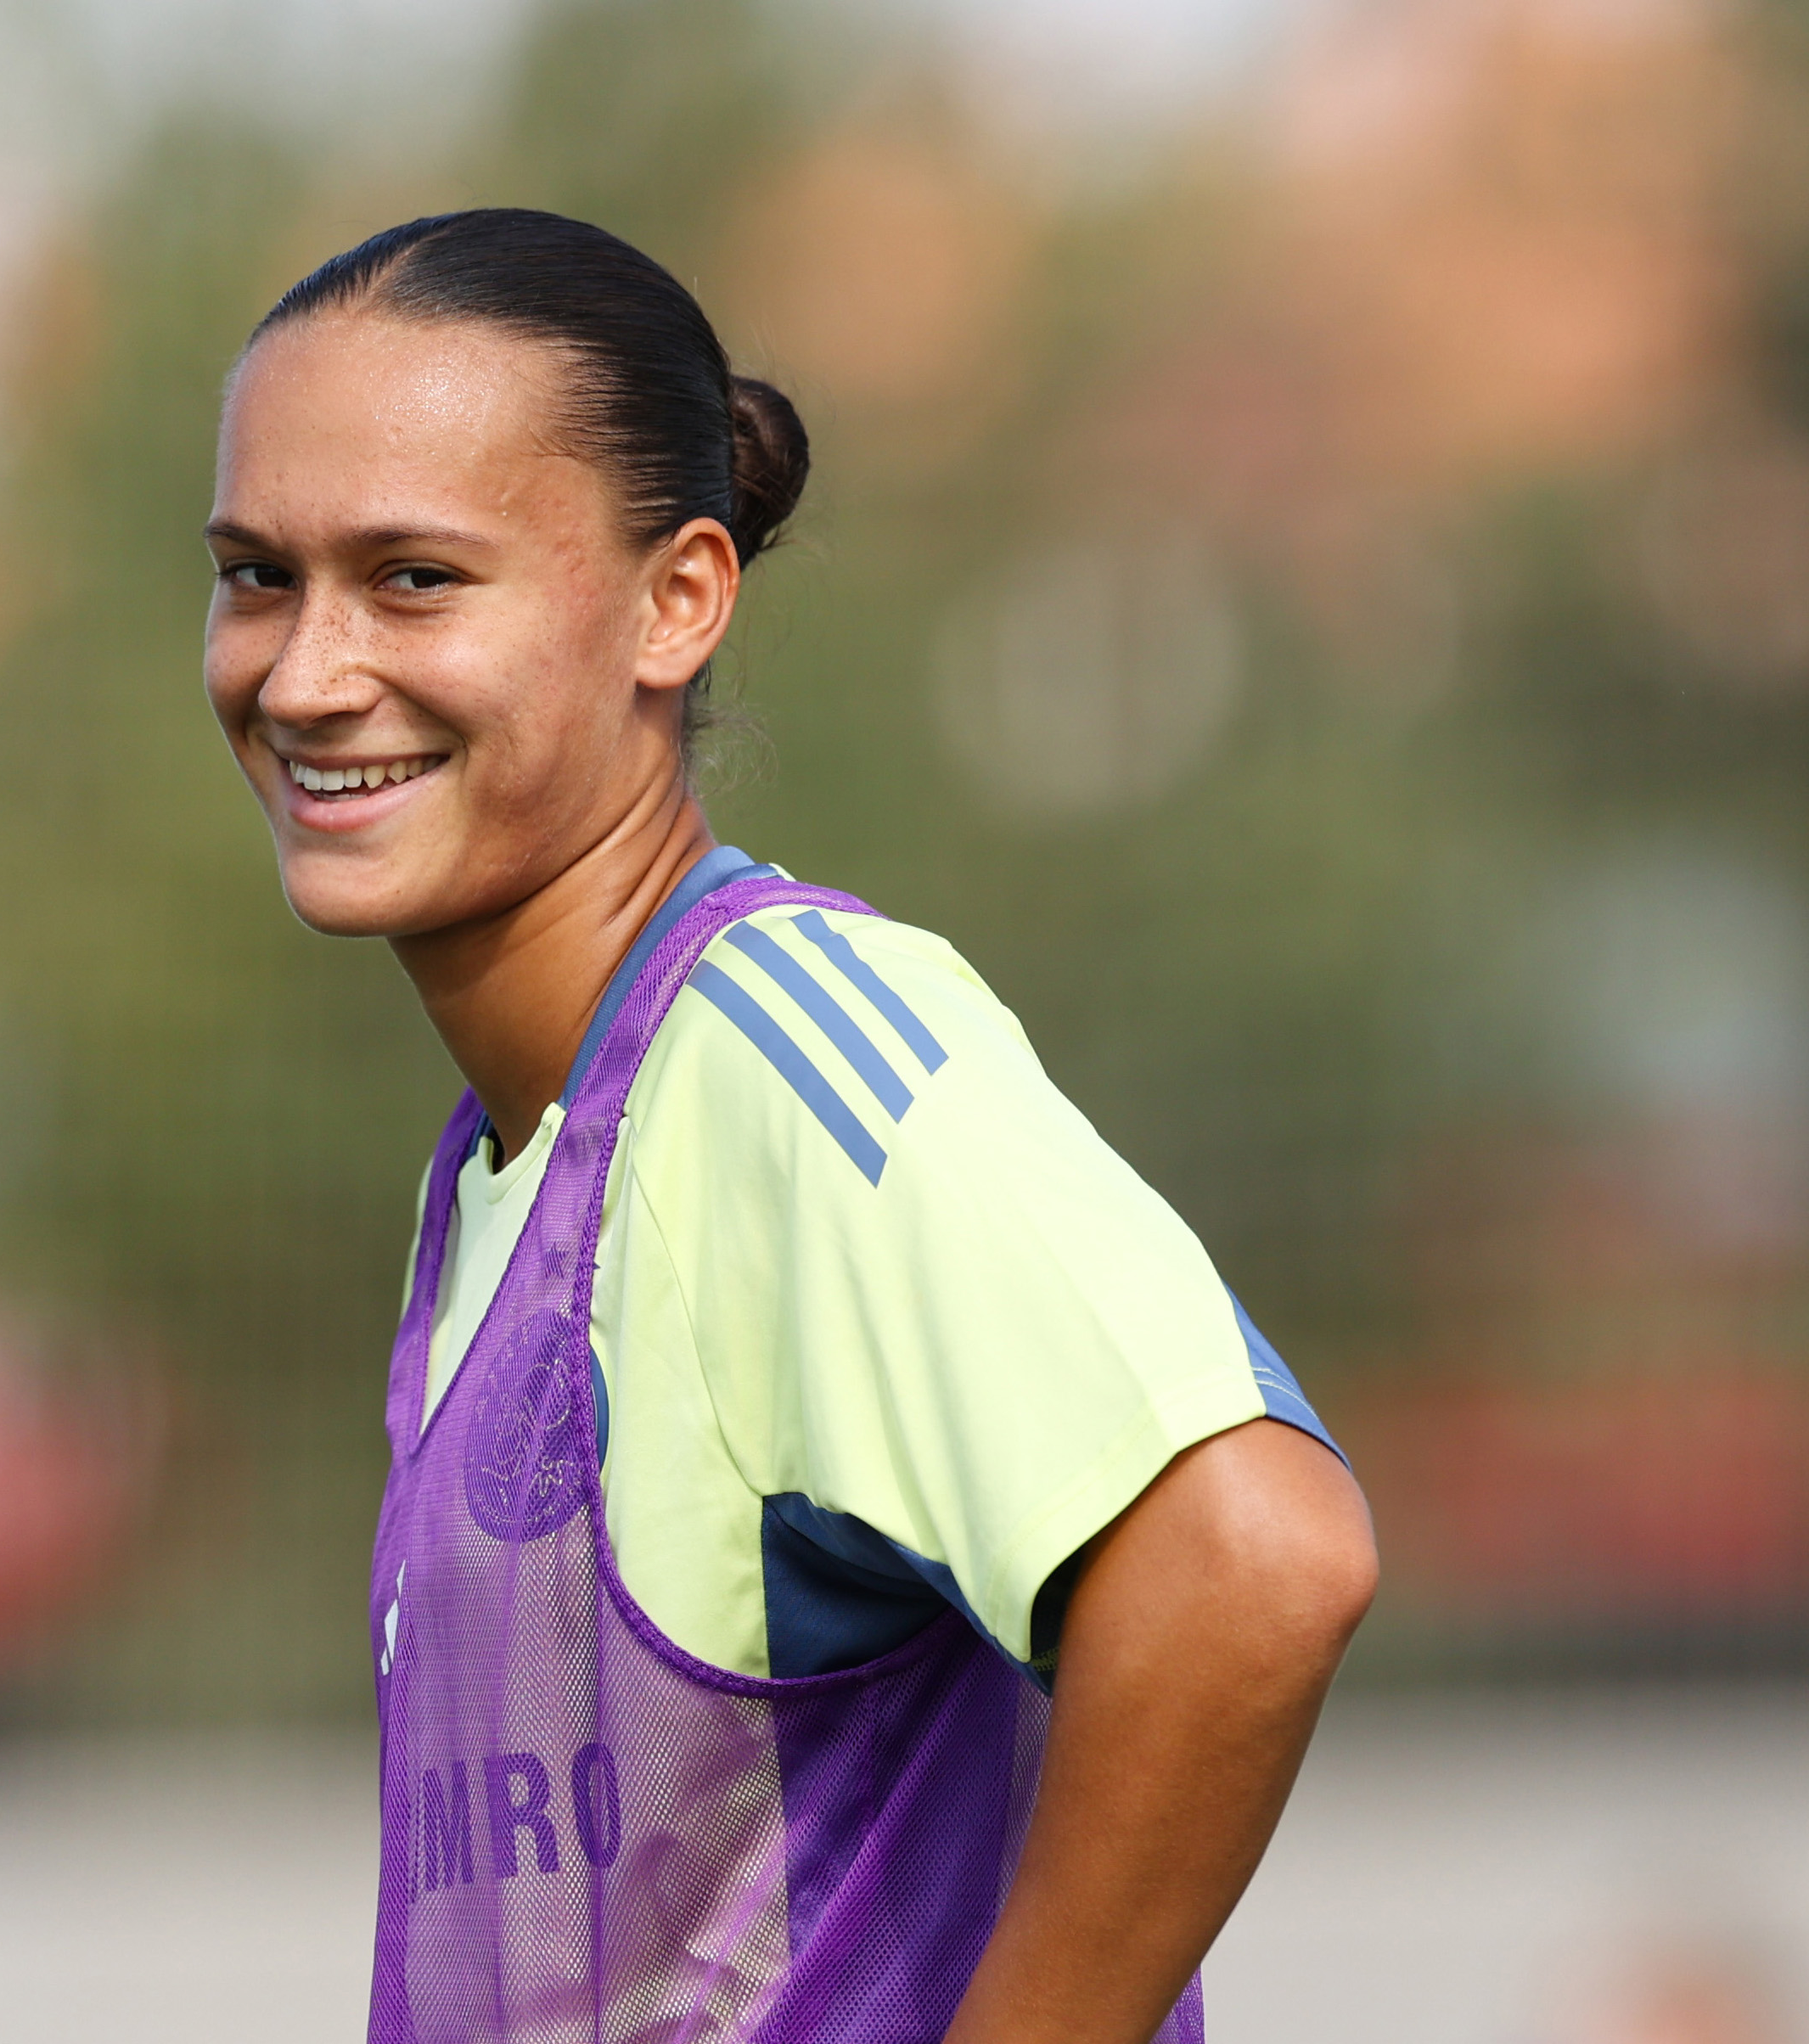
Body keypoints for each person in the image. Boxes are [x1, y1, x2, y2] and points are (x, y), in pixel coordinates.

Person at [200, 207, 1377, 2044]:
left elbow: (1251, 1557)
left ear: (676, 599)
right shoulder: (505, 1167)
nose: (301, 673)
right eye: (258, 575)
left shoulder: (769, 1050)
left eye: (413, 578)